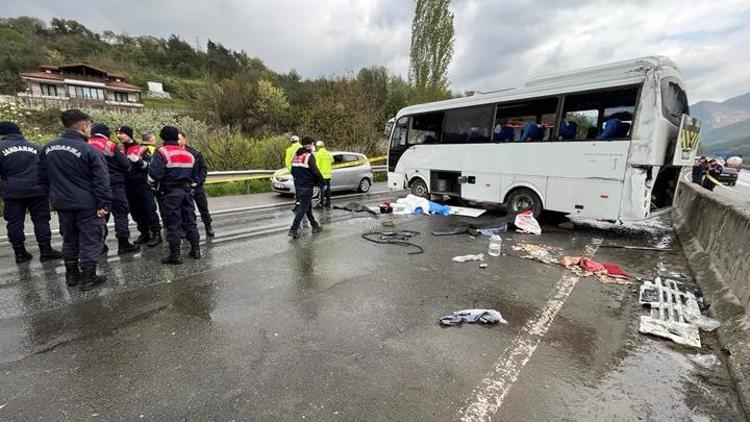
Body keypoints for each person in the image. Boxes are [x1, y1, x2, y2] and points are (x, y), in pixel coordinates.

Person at [37, 109, 111, 290]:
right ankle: (88, 277)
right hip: (87, 204)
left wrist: (52, 198)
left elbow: (41, 178)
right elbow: (101, 180)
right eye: (89, 126)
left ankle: (72, 275)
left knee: (69, 238)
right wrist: (105, 204)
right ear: (85, 126)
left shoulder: (47, 148)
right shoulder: (88, 150)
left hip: (61, 202)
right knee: (90, 239)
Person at [0, 121, 63, 264]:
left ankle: (20, 252)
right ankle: (46, 250)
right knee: (41, 220)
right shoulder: (35, 147)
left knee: (14, 223)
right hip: (38, 190)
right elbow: (47, 168)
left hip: (12, 192)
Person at [148, 126, 201, 264]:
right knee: (190, 221)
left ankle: (175, 255)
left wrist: (153, 188)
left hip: (170, 193)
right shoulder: (189, 154)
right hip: (187, 192)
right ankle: (196, 250)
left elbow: (154, 175)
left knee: (172, 223)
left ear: (163, 137)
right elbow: (195, 176)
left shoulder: (162, 152)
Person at [88, 123, 140, 255]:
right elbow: (125, 164)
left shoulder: (85, 144)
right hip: (114, 184)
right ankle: (123, 244)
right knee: (120, 214)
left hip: (94, 187)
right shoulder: (109, 145)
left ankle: (100, 245)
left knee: (100, 216)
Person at [118, 126, 162, 247]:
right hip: (127, 185)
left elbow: (150, 165)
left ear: (129, 135)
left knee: (148, 209)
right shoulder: (119, 149)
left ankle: (156, 233)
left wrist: (139, 161)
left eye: (121, 133)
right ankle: (144, 232)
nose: (118, 135)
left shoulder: (141, 149)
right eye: (117, 133)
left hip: (142, 184)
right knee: (135, 211)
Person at [178, 130, 214, 237]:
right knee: (186, 210)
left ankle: (208, 226)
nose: (177, 141)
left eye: (179, 139)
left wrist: (198, 181)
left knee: (203, 207)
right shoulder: (173, 154)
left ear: (184, 139)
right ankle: (187, 229)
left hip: (197, 186)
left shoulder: (195, 153)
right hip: (184, 187)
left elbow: (203, 169)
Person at [288, 136, 324, 238]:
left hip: (299, 185)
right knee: (303, 208)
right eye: (313, 144)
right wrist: (322, 183)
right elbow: (316, 172)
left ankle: (314, 225)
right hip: (307, 186)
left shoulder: (296, 155)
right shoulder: (309, 156)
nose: (313, 146)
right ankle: (293, 229)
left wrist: (299, 181)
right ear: (309, 145)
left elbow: (293, 171)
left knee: (307, 207)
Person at [314, 140, 333, 208]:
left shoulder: (318, 154)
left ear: (318, 147)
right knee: (327, 189)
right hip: (328, 175)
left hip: (322, 175)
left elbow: (317, 166)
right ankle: (328, 203)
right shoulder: (328, 153)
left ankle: (321, 203)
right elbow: (332, 160)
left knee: (321, 190)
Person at [285, 135, 301, 212]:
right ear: (298, 140)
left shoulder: (289, 150)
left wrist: (291, 170)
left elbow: (287, 162)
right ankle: (306, 204)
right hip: (304, 170)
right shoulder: (302, 148)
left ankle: (298, 204)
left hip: (296, 171)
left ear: (291, 142)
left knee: (298, 188)